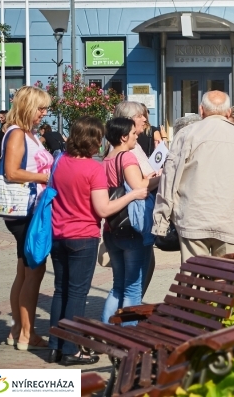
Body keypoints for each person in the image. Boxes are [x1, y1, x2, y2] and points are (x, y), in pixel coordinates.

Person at [48, 116, 148, 365]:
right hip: (83, 235)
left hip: (58, 234)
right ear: (93, 139)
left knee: (60, 290)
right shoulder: (92, 168)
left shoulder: (60, 162)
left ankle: (55, 346)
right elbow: (103, 209)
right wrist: (133, 194)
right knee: (77, 294)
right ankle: (71, 350)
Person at [153, 91, 234, 262]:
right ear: (228, 113)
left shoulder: (186, 134)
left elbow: (169, 180)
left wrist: (161, 222)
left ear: (201, 110)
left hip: (194, 219)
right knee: (227, 280)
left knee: (193, 281)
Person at [0, 87, 53, 352]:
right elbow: (11, 172)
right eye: (40, 108)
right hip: (26, 211)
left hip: (31, 209)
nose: (44, 113)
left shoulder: (28, 134)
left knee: (24, 272)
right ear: (26, 107)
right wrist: (46, 178)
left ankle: (17, 329)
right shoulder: (17, 133)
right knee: (34, 271)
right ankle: (27, 335)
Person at [100, 117, 160, 328]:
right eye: (134, 134)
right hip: (132, 228)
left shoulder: (107, 158)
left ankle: (106, 330)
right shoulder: (126, 157)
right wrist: (161, 177)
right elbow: (140, 187)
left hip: (112, 227)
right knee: (133, 289)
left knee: (118, 286)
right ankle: (128, 336)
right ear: (124, 136)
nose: (137, 136)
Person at [113, 101, 161, 294]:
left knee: (127, 282)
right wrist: (162, 176)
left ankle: (120, 318)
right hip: (133, 220)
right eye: (140, 115)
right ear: (129, 119)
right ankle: (126, 320)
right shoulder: (127, 151)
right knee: (131, 285)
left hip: (126, 219)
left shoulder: (131, 146)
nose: (144, 119)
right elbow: (138, 185)